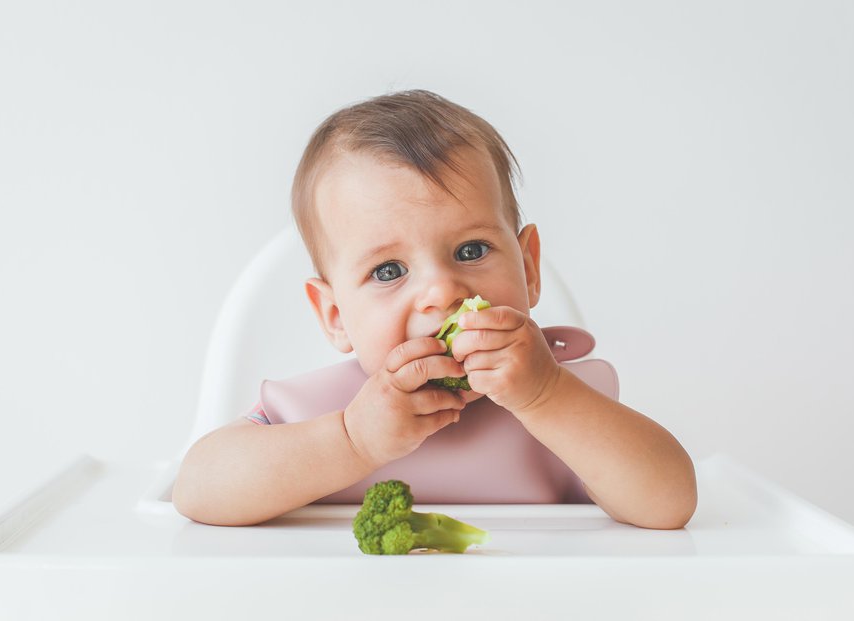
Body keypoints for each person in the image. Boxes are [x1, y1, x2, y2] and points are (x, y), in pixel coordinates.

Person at [173, 89, 697, 529]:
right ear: (335, 314)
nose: (442, 293)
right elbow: (196, 490)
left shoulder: (564, 407)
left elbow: (670, 503)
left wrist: (546, 395)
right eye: (388, 271)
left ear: (529, 268)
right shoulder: (317, 415)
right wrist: (354, 440)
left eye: (471, 251)